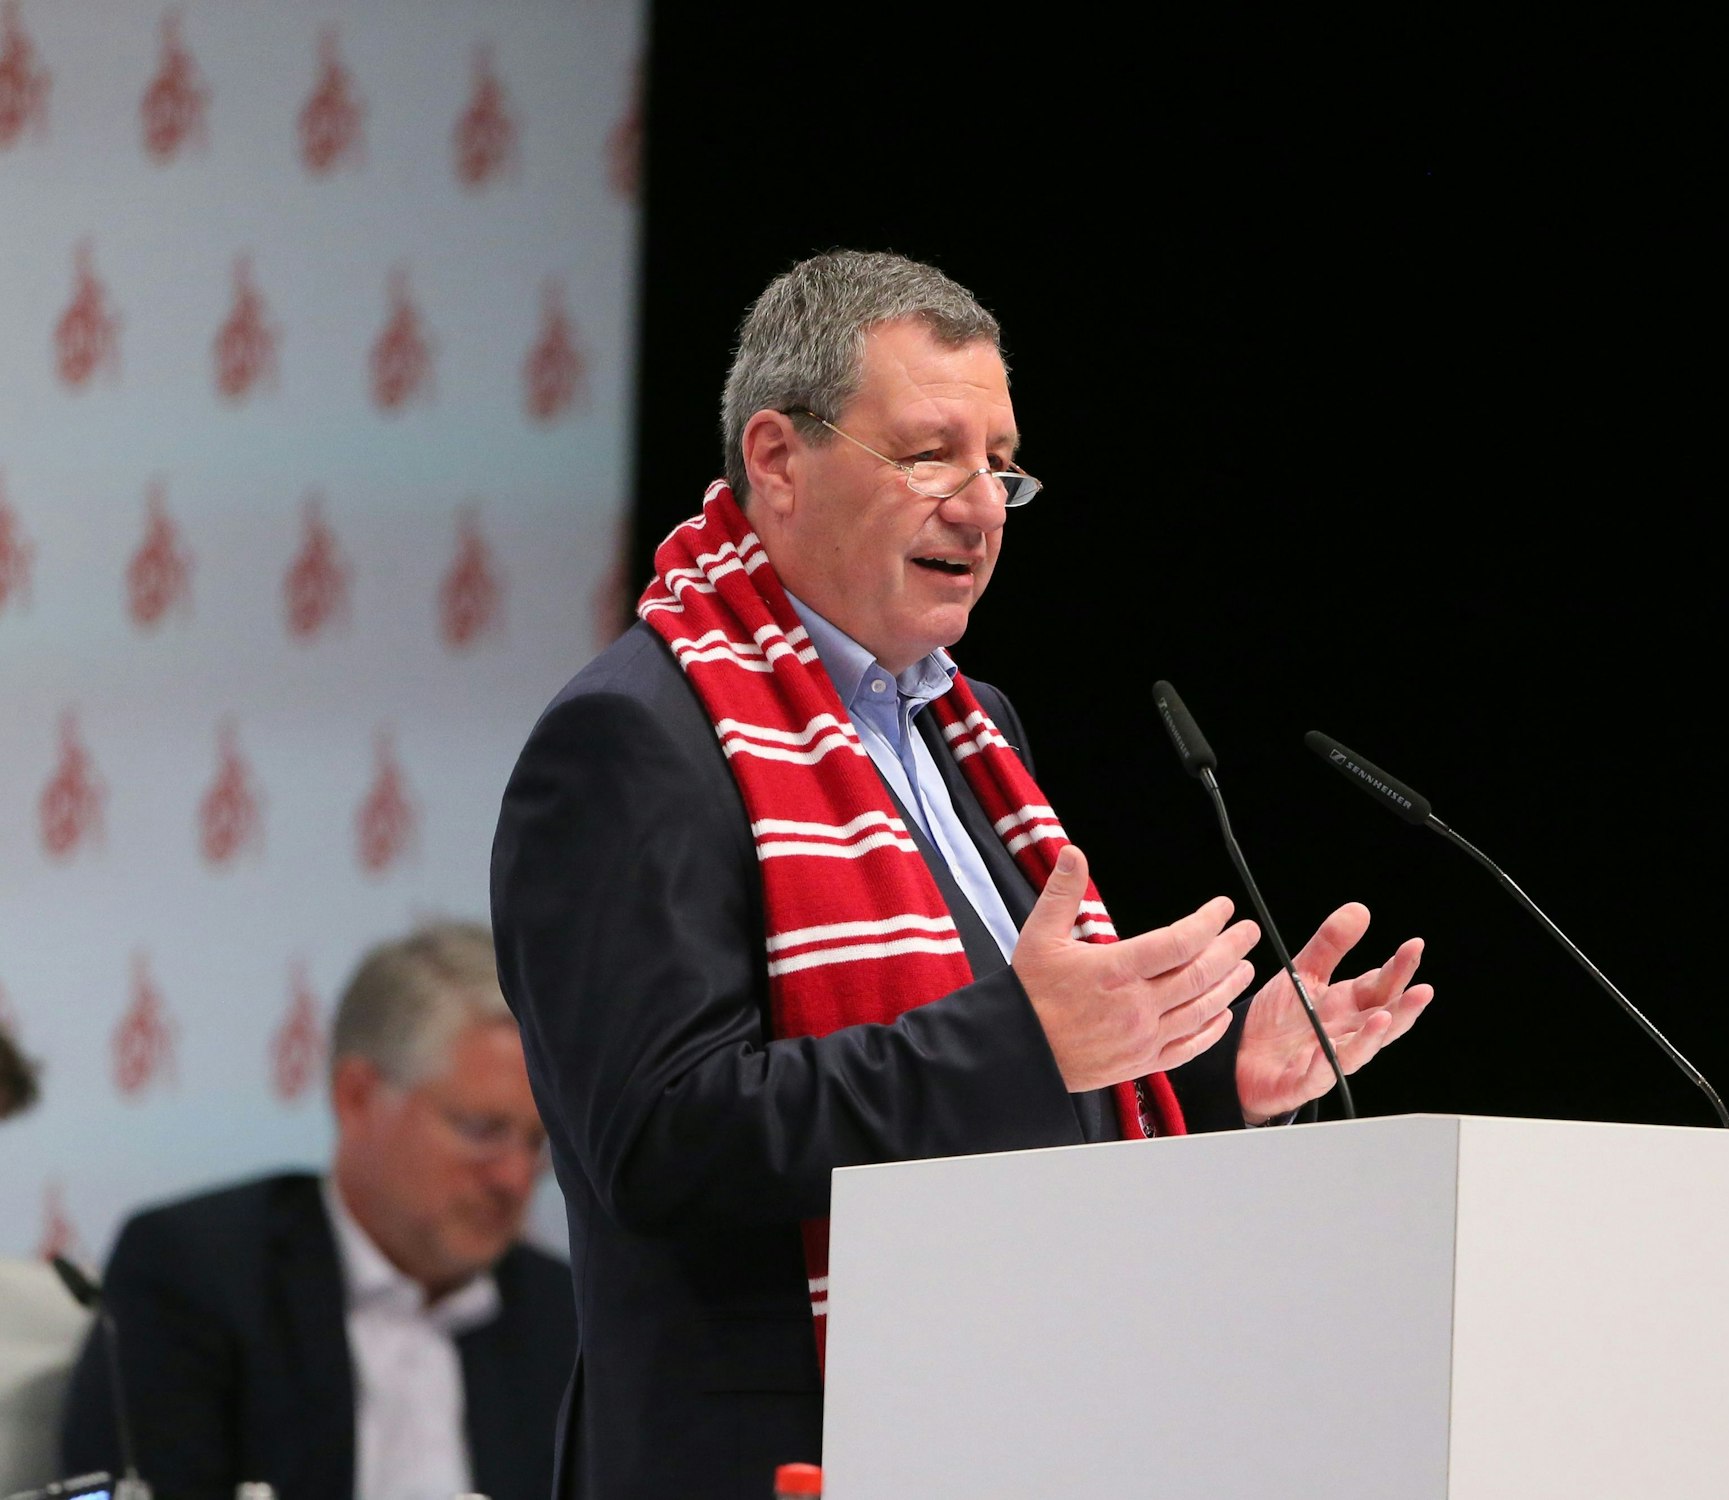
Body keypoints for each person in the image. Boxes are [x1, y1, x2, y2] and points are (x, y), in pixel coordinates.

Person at [491, 250, 1434, 1497]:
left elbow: (995, 1092)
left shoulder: (971, 730)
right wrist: (1032, 1041)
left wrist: (1200, 1076)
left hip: (1003, 1427)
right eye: (929, 454)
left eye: (1001, 465)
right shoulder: (633, 740)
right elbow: (662, 1142)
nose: (981, 505)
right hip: (762, 1455)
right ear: (774, 459)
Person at [61, 921, 574, 1500]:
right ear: (356, 1097)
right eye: (482, 1130)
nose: (514, 1177)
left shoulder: (564, 1312)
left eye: (538, 1142)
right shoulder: (195, 1274)